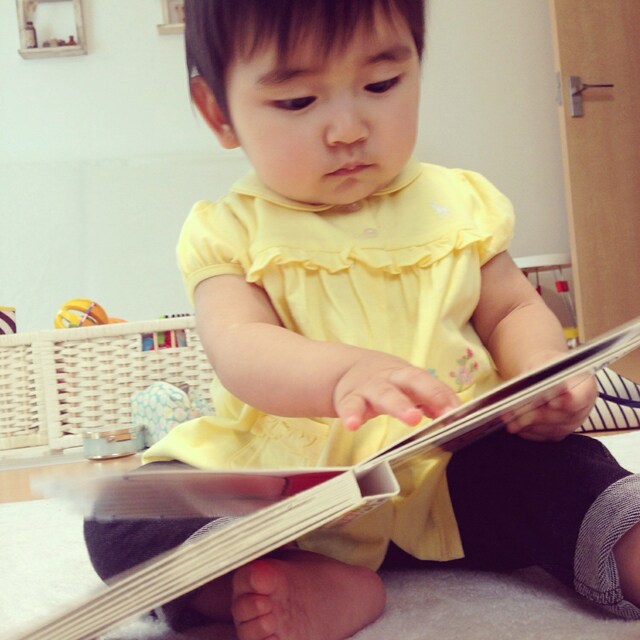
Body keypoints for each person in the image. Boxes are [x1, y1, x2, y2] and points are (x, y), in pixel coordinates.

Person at [84, 1, 640, 639]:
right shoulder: (229, 230)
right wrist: (344, 374)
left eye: (381, 84)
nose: (348, 129)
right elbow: (238, 343)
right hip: (285, 492)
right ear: (218, 112)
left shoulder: (459, 204)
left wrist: (542, 371)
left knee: (567, 470)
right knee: (123, 514)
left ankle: (628, 550)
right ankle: (287, 581)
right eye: (297, 100)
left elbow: (513, 308)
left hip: (454, 473)